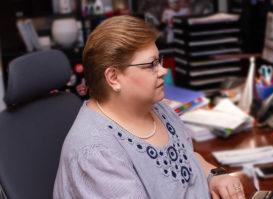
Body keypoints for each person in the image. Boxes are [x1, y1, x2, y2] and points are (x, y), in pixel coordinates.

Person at [53, 15, 245, 199]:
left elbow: (189, 157)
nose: (163, 70)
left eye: (159, 61)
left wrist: (214, 175)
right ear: (114, 78)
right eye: (151, 64)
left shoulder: (159, 109)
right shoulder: (96, 153)